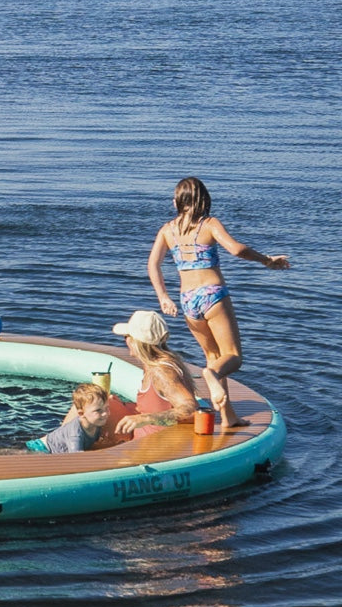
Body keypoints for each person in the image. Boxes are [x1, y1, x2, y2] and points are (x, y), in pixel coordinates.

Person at [147, 176, 289, 427]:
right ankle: (210, 376)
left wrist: (163, 297)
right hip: (212, 295)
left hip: (188, 300)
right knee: (232, 357)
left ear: (177, 201)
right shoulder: (209, 224)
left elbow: (153, 264)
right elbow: (236, 249)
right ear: (204, 199)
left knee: (214, 356)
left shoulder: (167, 230)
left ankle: (228, 416)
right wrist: (267, 260)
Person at [110, 310, 197, 438]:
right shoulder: (154, 365)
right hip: (145, 438)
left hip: (152, 445)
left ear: (136, 342)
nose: (125, 340)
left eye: (126, 336)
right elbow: (158, 407)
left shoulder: (161, 372)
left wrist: (146, 418)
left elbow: (191, 409)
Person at [27, 382, 111, 454]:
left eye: (106, 408)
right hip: (41, 448)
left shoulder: (96, 422)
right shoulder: (75, 435)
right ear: (81, 413)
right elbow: (77, 459)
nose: (105, 413)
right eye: (98, 410)